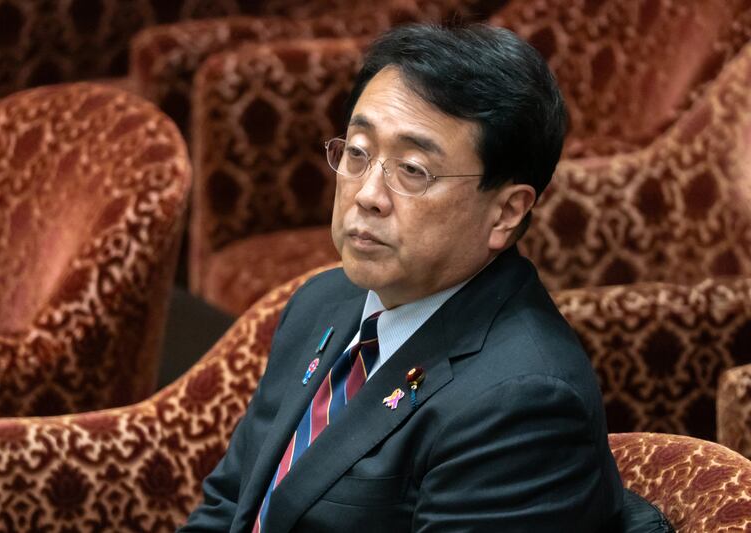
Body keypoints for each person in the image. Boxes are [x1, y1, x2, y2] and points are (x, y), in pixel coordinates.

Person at [181, 23, 626, 532]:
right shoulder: (321, 302)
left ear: (505, 212)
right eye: (357, 152)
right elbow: (229, 506)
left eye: (413, 170)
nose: (367, 194)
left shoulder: (523, 402)